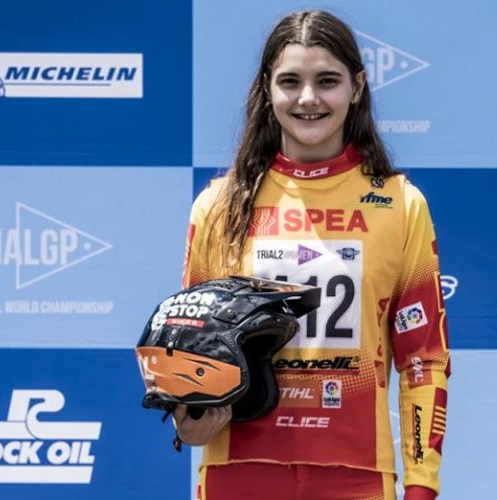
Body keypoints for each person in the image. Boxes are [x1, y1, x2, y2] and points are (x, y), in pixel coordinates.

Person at [175, 10, 450, 500]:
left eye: (327, 81)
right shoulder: (218, 206)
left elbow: (423, 360)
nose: (308, 98)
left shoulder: (400, 205)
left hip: (358, 475)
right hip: (239, 473)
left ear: (357, 87)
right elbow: (192, 354)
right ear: (267, 88)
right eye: (290, 81)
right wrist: (187, 417)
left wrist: (422, 485)